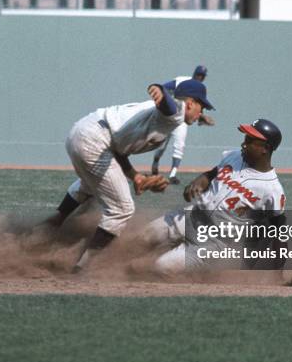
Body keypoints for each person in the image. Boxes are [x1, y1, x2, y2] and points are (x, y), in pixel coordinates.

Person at [43, 79, 215, 273]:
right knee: (122, 208)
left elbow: (118, 151)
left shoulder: (160, 115)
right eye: (202, 106)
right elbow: (170, 105)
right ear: (190, 103)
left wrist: (137, 177)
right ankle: (82, 267)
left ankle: (51, 225)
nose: (202, 112)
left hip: (84, 132)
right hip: (95, 141)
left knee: (94, 184)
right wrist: (160, 90)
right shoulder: (175, 114)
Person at [140, 119, 286, 275]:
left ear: (266, 148)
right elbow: (212, 174)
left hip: (214, 241)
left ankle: (199, 275)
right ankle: (118, 264)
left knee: (162, 267)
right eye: (245, 138)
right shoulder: (235, 156)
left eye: (250, 140)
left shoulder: (272, 190)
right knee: (144, 237)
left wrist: (278, 272)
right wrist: (199, 182)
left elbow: (278, 231)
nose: (244, 144)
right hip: (192, 215)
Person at [151, 65, 215, 185]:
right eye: (199, 74)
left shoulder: (200, 88)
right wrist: (168, 101)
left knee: (179, 144)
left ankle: (173, 174)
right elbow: (164, 87)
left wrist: (202, 118)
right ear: (194, 73)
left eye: (202, 76)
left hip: (183, 119)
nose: (200, 77)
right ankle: (155, 163)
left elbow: (198, 108)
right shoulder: (182, 80)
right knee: (161, 144)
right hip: (170, 115)